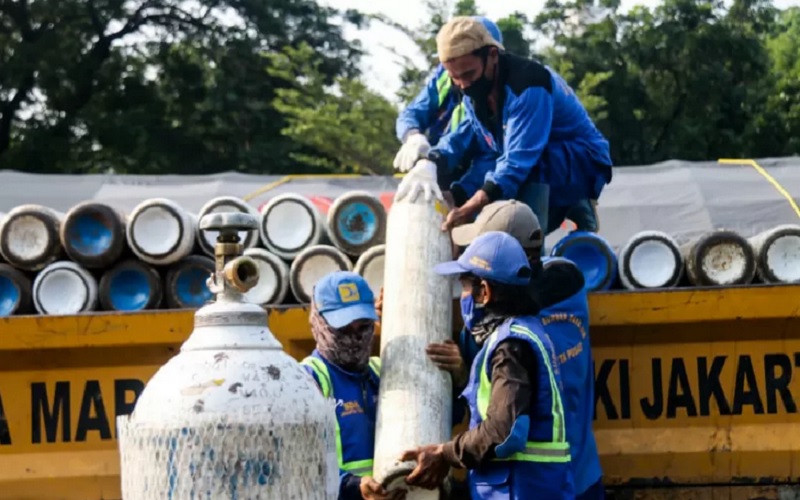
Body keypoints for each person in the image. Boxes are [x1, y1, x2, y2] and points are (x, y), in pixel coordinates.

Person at [434, 199, 605, 500]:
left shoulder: (514, 334)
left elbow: (505, 423)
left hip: (529, 485)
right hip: (576, 477)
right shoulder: (571, 287)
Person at [399, 231, 575, 499]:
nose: (463, 297)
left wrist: (444, 453)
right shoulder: (522, 333)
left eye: (466, 287)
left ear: (485, 291)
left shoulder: (510, 347)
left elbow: (504, 433)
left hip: (519, 490)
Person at [404, 16, 611, 236]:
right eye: (456, 78)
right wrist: (430, 162)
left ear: (492, 56)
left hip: (581, 161)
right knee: (481, 200)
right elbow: (462, 136)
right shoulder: (475, 91)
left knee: (516, 226)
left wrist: (467, 209)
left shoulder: (529, 86)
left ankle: (543, 239)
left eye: (468, 74)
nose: (463, 85)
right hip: (525, 158)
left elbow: (517, 162)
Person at [300, 271, 406, 500]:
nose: (355, 338)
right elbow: (297, 462)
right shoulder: (308, 380)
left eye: (363, 327)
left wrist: (457, 376)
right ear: (318, 323)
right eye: (344, 330)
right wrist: (352, 485)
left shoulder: (382, 373)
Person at [393, 16, 504, 192]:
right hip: (436, 164)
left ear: (491, 57)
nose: (460, 79)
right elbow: (413, 112)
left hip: (472, 175)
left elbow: (463, 141)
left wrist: (459, 194)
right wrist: (413, 135)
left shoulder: (497, 93)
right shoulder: (444, 76)